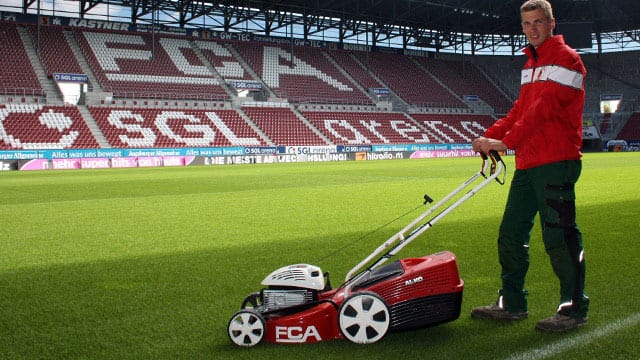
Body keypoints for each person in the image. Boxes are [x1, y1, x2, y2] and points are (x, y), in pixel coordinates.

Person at [470, 0, 589, 332]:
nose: (533, 28)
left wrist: (505, 143)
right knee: (511, 233)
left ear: (552, 23)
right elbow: (520, 111)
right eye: (526, 23)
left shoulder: (568, 61)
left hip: (556, 163)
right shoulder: (530, 66)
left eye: (539, 22)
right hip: (529, 163)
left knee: (559, 237)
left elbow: (543, 111)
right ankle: (512, 303)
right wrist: (488, 135)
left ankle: (573, 309)